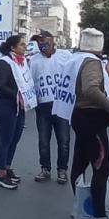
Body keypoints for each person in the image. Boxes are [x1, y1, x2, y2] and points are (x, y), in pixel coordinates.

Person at [61, 28, 109, 219]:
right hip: (91, 118)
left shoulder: (76, 59)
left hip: (80, 116)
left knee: (81, 162)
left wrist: (105, 74)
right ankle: (99, 217)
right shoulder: (91, 62)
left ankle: (81, 206)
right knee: (101, 167)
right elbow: (90, 89)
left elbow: (84, 86)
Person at [0, 35, 35, 190]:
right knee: (5, 140)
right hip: (7, 107)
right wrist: (18, 93)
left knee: (15, 139)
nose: (25, 47)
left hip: (20, 107)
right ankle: (0, 175)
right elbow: (0, 85)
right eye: (22, 45)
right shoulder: (5, 62)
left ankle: (7, 167)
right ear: (12, 48)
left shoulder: (22, 62)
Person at [29, 31, 71, 183]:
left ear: (53, 41)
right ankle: (45, 168)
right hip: (43, 107)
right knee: (43, 141)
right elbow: (30, 82)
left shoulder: (65, 56)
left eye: (45, 42)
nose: (42, 46)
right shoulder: (33, 60)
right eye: (39, 43)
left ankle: (62, 170)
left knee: (64, 141)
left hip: (62, 106)